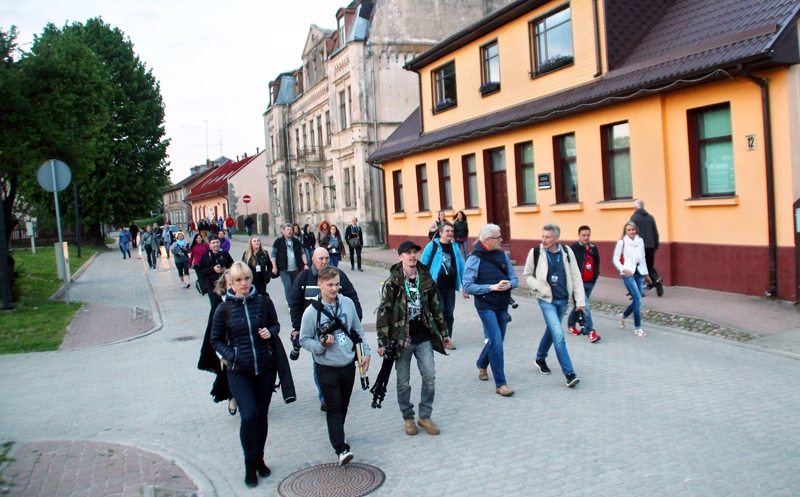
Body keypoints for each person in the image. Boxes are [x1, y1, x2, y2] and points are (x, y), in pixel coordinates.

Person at [210, 262, 295, 487]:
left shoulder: (263, 302)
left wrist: (271, 332)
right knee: (248, 415)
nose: (244, 283)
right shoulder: (224, 308)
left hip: (265, 368)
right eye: (238, 280)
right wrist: (233, 355)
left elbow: (275, 325)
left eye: (246, 278)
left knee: (261, 414)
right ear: (231, 283)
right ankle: (249, 463)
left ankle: (260, 458)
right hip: (239, 370)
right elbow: (215, 339)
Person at [376, 240, 450, 436]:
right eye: (407, 253)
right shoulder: (393, 283)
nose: (412, 256)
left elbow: (436, 307)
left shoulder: (425, 279)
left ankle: (424, 416)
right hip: (402, 340)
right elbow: (384, 312)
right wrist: (382, 342)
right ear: (400, 257)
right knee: (404, 382)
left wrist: (444, 333)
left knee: (430, 377)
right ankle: (408, 417)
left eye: (414, 253)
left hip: (424, 337)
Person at [300, 266, 370, 466]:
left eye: (337, 284)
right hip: (326, 367)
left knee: (344, 404)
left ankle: (338, 432)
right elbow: (304, 340)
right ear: (320, 285)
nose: (334, 289)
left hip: (347, 363)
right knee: (334, 407)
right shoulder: (311, 312)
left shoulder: (347, 303)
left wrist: (364, 353)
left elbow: (357, 330)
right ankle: (341, 448)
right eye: (330, 285)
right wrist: (320, 346)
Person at [289, 247, 363, 411]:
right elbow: (294, 303)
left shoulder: (339, 276)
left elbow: (352, 295)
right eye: (320, 259)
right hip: (315, 329)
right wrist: (297, 327)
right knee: (319, 361)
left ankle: (337, 391)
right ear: (313, 260)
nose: (324, 262)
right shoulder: (303, 278)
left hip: (339, 326)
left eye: (327, 258)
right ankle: (325, 397)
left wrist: (357, 317)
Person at [523, 223, 586, 388]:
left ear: (556, 238)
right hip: (546, 300)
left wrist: (580, 302)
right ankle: (570, 374)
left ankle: (540, 357)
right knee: (558, 334)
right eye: (542, 236)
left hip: (563, 299)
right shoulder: (535, 252)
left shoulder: (566, 252)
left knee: (552, 331)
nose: (544, 239)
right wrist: (538, 286)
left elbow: (576, 277)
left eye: (547, 237)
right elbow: (527, 275)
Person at [462, 224, 518, 396]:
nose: (502, 240)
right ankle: (501, 384)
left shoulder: (502, 256)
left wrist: (510, 284)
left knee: (497, 340)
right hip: (486, 306)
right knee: (497, 343)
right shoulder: (474, 258)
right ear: (487, 240)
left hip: (502, 305)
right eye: (498, 237)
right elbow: (468, 285)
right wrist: (491, 287)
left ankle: (481, 363)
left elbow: (514, 278)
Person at [421, 222, 466, 351]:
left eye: (451, 231)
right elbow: (423, 266)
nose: (450, 233)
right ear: (441, 233)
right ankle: (438, 338)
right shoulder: (432, 246)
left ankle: (447, 339)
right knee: (439, 312)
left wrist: (465, 286)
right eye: (447, 231)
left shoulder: (455, 247)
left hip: (451, 286)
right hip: (436, 286)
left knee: (449, 314)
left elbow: (461, 266)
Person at [614, 221, 652, 337]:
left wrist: (646, 274)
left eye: (633, 230)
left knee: (637, 299)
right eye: (629, 230)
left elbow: (643, 258)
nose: (631, 232)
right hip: (628, 273)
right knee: (638, 299)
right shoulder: (622, 242)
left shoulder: (639, 241)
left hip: (639, 272)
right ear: (625, 231)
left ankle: (623, 315)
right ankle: (638, 328)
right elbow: (616, 259)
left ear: (636, 230)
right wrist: (623, 269)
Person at [568, 226, 601, 342]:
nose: (586, 238)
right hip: (578, 284)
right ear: (579, 235)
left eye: (588, 235)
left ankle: (571, 324)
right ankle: (591, 331)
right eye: (584, 235)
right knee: (585, 306)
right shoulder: (573, 249)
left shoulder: (593, 248)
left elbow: (597, 262)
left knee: (580, 305)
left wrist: (596, 276)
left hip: (590, 282)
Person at [630, 199, 664, 296]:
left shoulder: (634, 218)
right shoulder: (650, 218)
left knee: (638, 267)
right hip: (650, 246)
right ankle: (657, 282)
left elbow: (630, 233)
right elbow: (655, 232)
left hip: (639, 247)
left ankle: (640, 290)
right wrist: (656, 245)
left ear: (635, 208)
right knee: (649, 266)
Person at [271, 223, 308, 304]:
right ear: (283, 231)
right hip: (283, 269)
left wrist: (305, 264)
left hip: (295, 268)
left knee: (295, 286)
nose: (289, 231)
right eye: (287, 230)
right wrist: (274, 266)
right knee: (288, 287)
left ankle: (295, 300)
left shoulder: (296, 241)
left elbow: (302, 253)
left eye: (290, 230)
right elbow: (273, 255)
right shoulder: (278, 242)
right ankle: (290, 303)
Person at [197, 235, 235, 307]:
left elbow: (233, 265)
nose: (216, 244)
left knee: (228, 305)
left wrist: (226, 270)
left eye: (217, 242)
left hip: (225, 285)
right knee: (215, 305)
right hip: (212, 286)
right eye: (213, 243)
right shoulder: (206, 256)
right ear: (210, 244)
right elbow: (201, 270)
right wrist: (212, 269)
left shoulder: (225, 253)